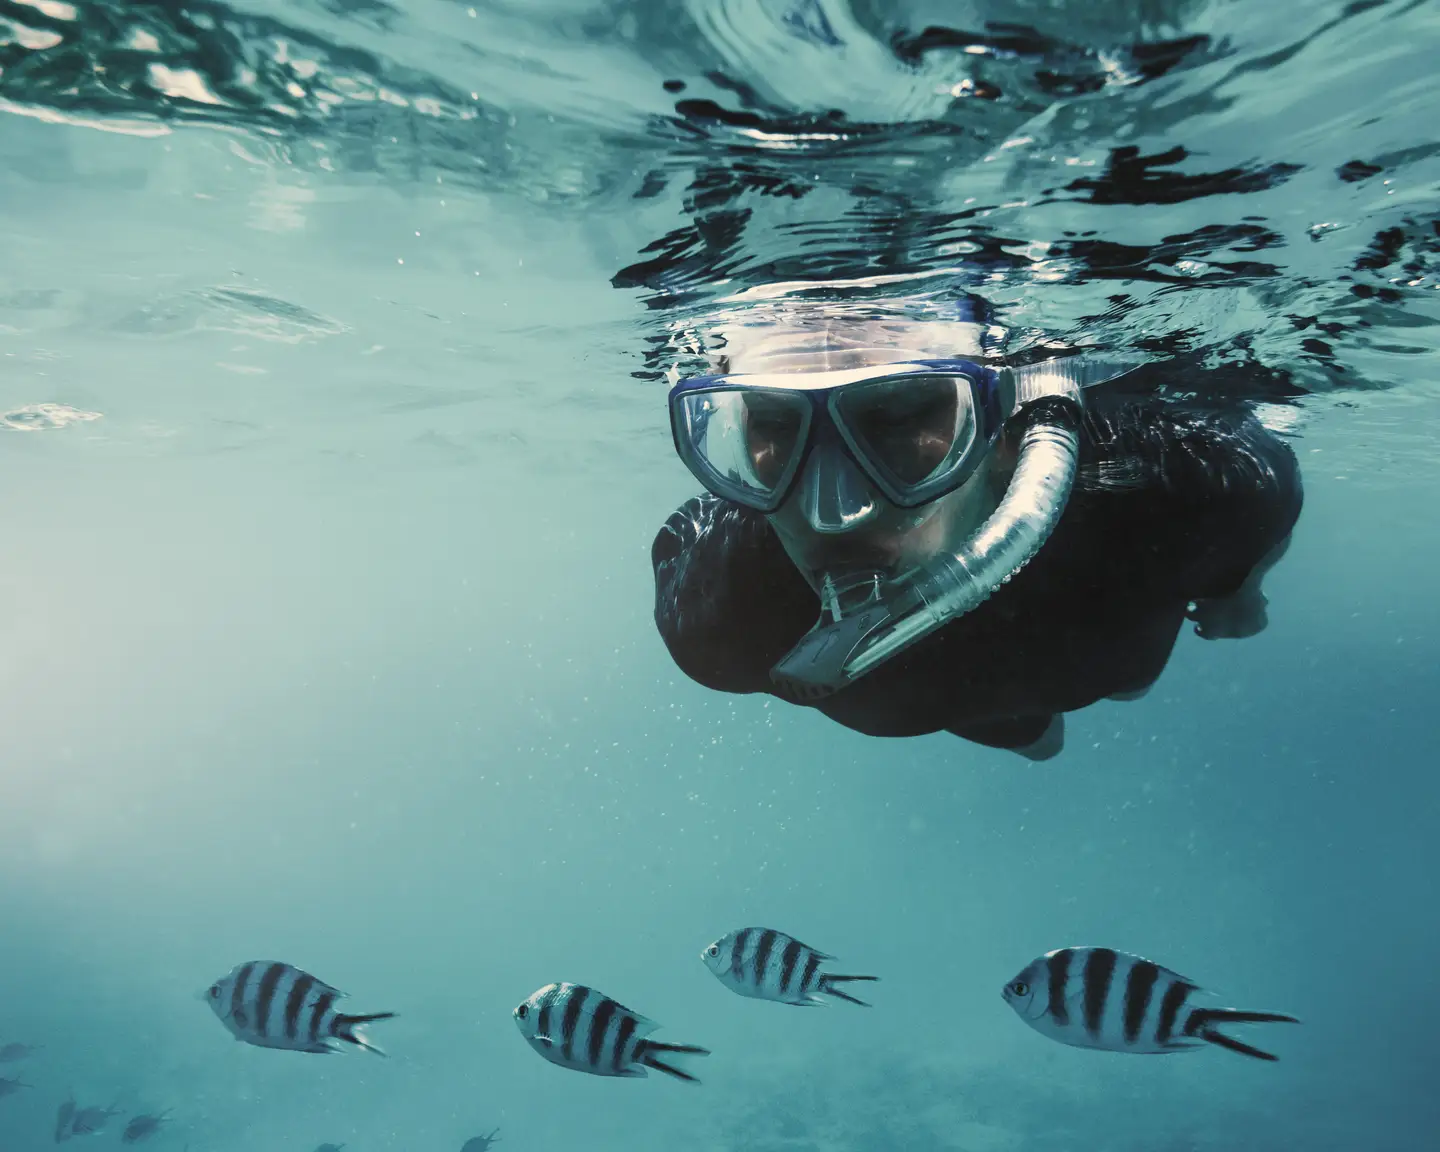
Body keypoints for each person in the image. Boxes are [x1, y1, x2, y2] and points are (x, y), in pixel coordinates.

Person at [645, 291, 1301, 760]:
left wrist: (1243, 586)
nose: (832, 512)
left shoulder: (1184, 486)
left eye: (901, 419)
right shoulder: (718, 610)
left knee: (1121, 690)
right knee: (1034, 741)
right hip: (958, 707)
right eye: (775, 424)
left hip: (1102, 659)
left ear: (1003, 427)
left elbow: (1265, 496)